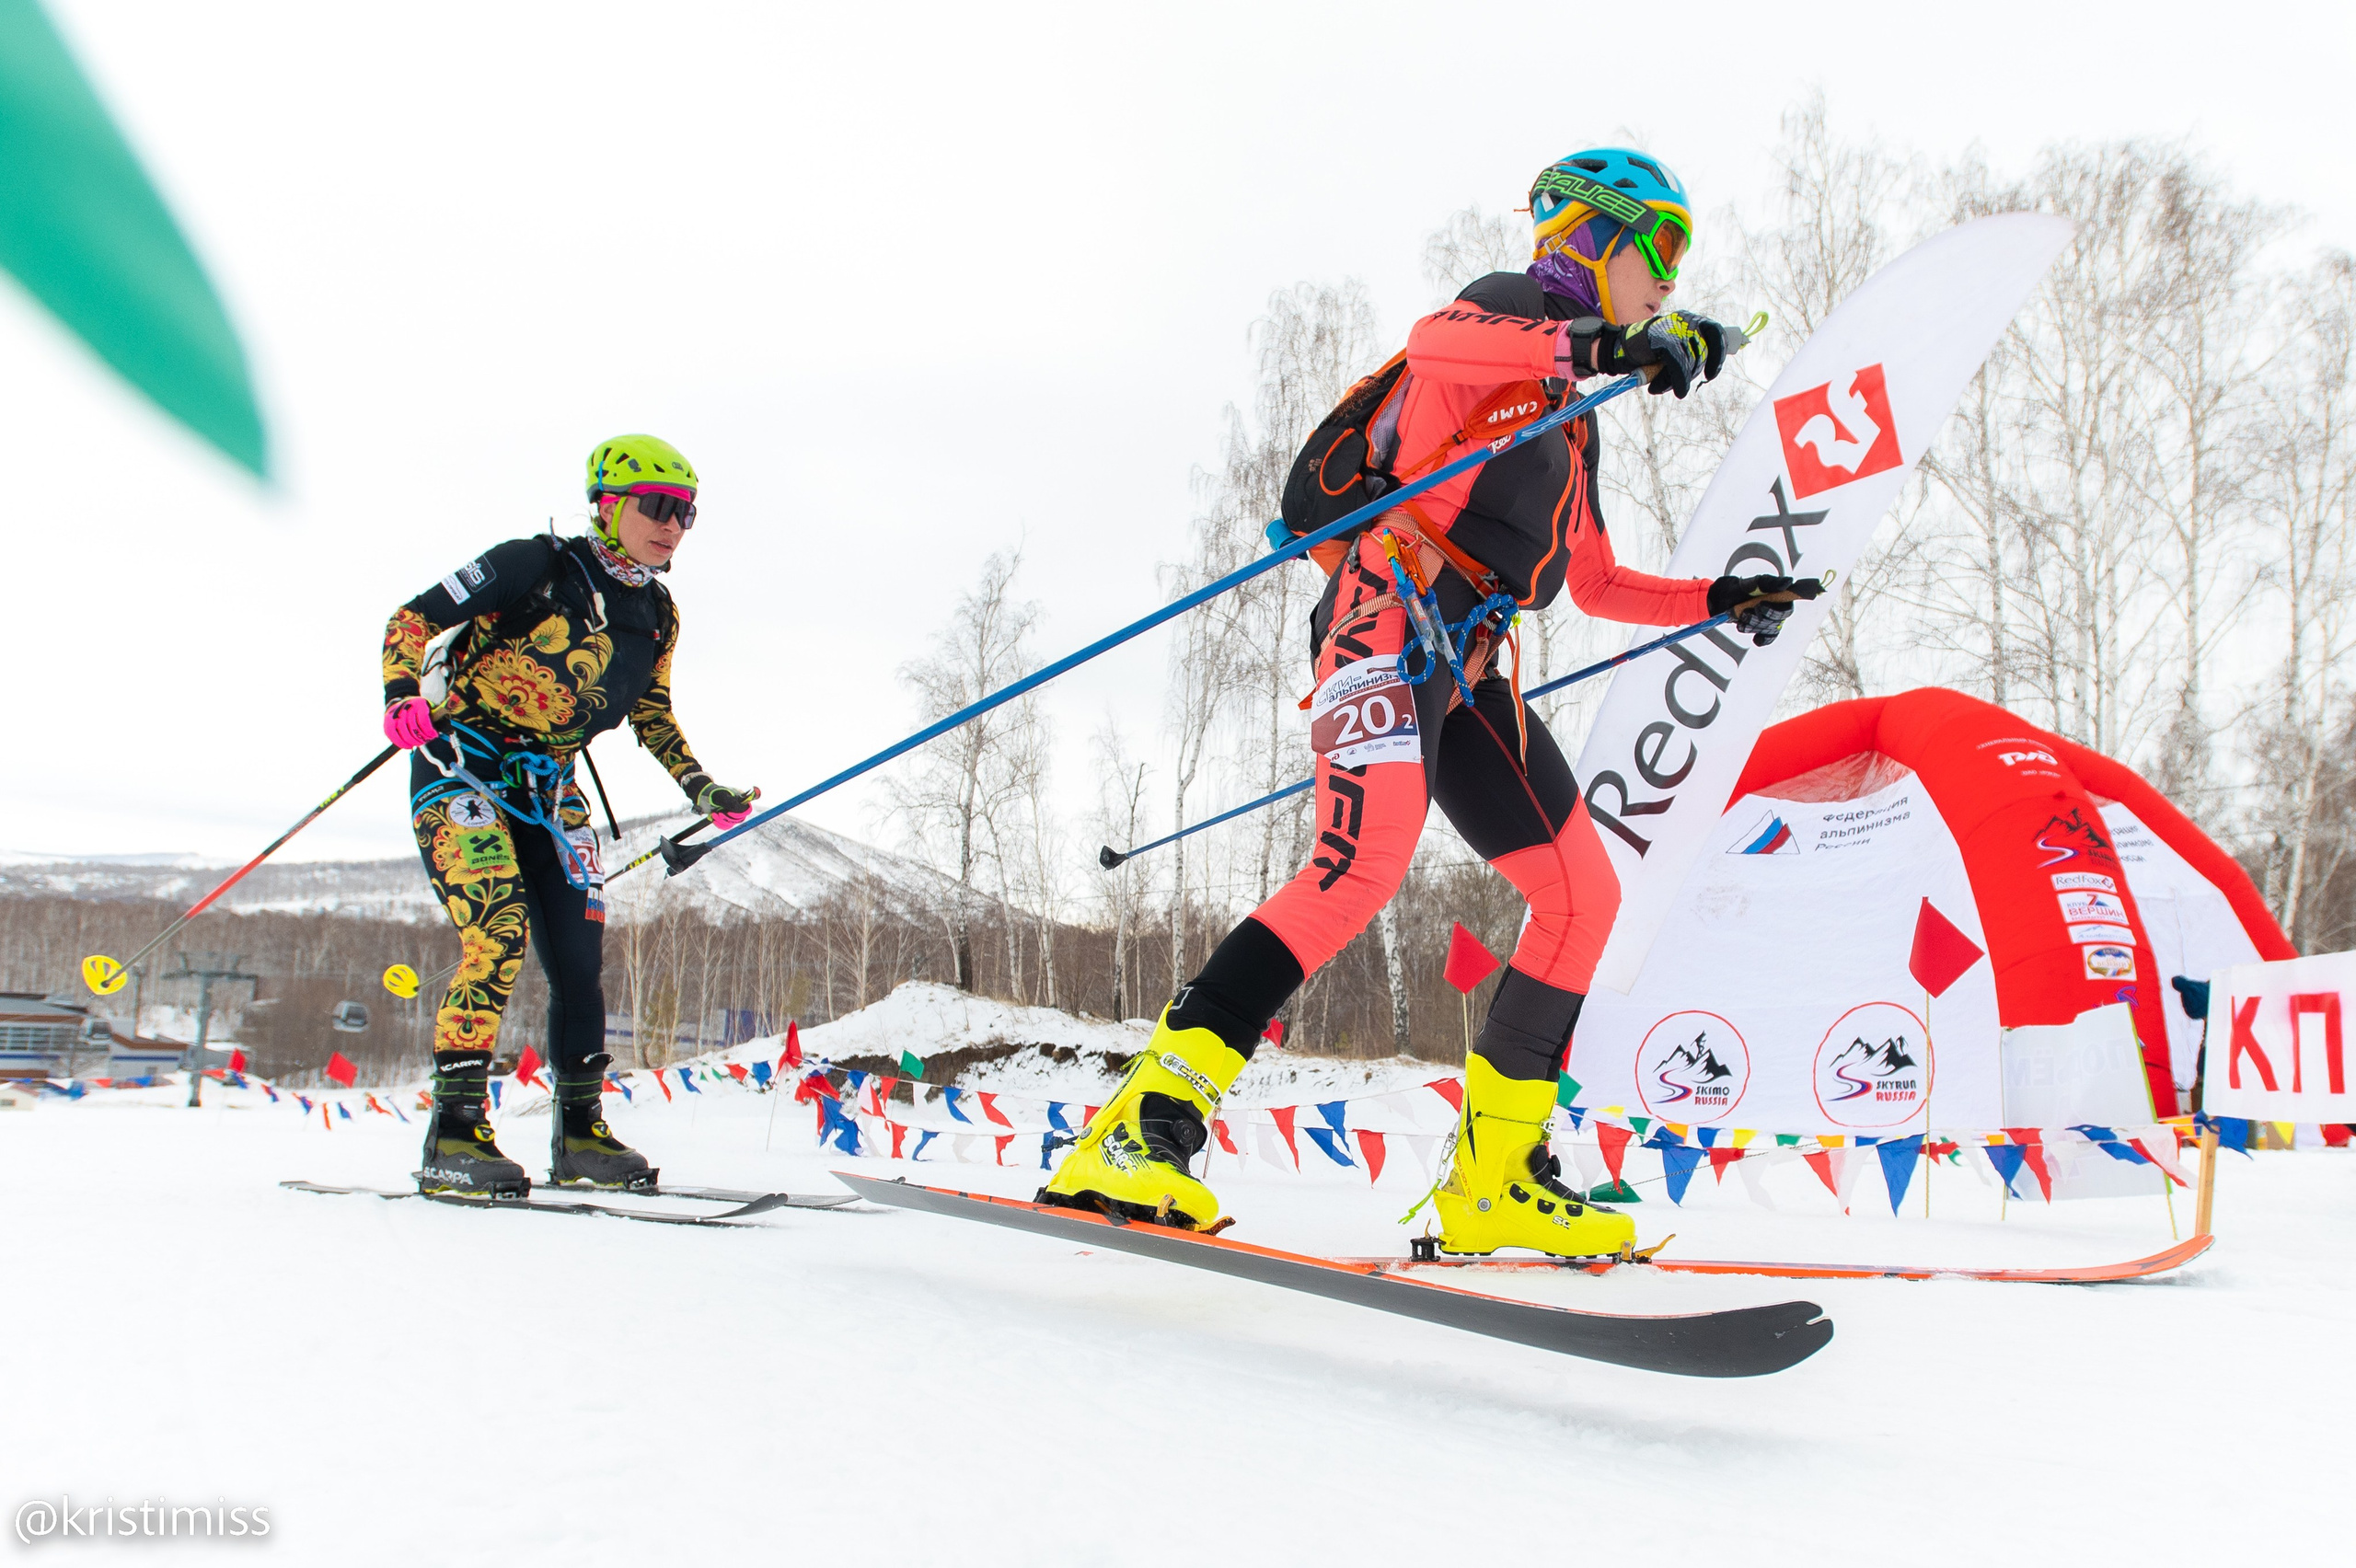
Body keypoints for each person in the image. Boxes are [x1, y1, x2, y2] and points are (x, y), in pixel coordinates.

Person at [1042, 148, 1811, 1255]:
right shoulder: (1507, 317)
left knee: (1580, 899)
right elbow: (1433, 342)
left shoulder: (1569, 415)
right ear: (1593, 239)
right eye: (1663, 249)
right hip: (1385, 617)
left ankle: (1497, 1175)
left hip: (1472, 663)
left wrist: (1721, 597)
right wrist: (1604, 343)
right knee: (1354, 870)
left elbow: (1591, 581)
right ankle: (1137, 1131)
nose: (1672, 280)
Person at [379, 434, 758, 1195]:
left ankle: (579, 1133)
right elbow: (411, 619)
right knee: (497, 931)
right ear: (610, 506)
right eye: (657, 507)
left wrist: (701, 786)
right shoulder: (535, 563)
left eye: (686, 513)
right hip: (465, 764)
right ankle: (454, 1132)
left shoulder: (657, 611)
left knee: (581, 964)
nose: (673, 525)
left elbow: (651, 713)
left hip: (552, 789)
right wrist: (401, 695)